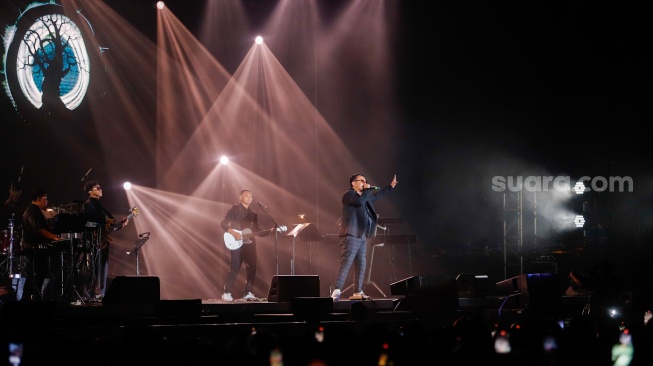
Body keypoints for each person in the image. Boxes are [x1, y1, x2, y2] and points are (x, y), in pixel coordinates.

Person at [331, 173, 398, 301]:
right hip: (351, 234)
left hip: (362, 236)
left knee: (361, 264)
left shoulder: (365, 196)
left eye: (365, 181)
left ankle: (357, 291)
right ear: (353, 183)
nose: (364, 182)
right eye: (361, 181)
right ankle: (336, 290)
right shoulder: (349, 195)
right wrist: (367, 189)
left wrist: (390, 187)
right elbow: (359, 202)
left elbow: (377, 196)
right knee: (346, 263)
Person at [220, 189, 273, 302]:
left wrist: (270, 231)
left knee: (252, 268)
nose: (249, 197)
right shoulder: (235, 209)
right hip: (237, 242)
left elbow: (256, 231)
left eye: (251, 196)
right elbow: (223, 223)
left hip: (250, 243)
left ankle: (247, 292)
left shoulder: (253, 214)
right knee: (235, 267)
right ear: (241, 197)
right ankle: (227, 292)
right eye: (246, 195)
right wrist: (233, 233)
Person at [80, 180, 129, 303]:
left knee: (103, 268)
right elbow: (87, 223)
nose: (101, 189)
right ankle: (87, 294)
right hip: (93, 241)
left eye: (100, 187)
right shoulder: (88, 205)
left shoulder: (100, 205)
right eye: (97, 188)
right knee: (92, 268)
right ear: (90, 191)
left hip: (103, 241)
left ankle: (99, 294)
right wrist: (97, 230)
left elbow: (107, 227)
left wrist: (120, 225)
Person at [20, 188, 61, 301]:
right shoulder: (33, 210)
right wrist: (55, 237)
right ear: (39, 199)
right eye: (45, 198)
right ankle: (28, 299)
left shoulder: (34, 209)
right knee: (37, 273)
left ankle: (32, 297)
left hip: (35, 247)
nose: (47, 201)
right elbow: (40, 229)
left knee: (37, 273)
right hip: (33, 248)